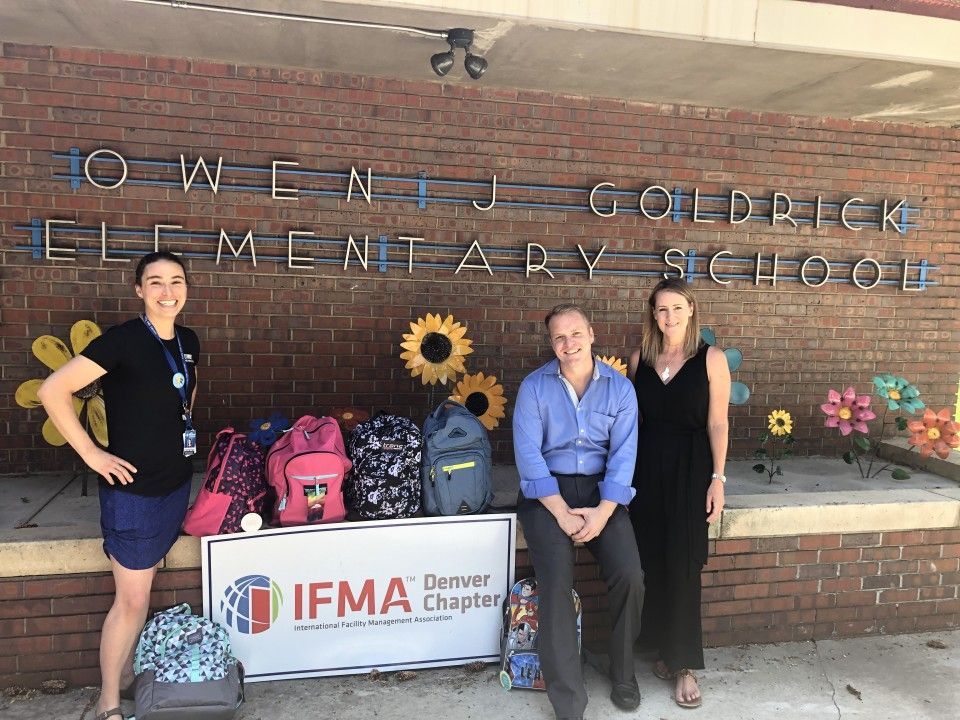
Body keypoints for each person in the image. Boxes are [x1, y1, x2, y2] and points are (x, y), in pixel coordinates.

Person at [38, 251, 200, 720]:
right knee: (131, 602)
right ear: (138, 290)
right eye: (155, 283)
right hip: (134, 492)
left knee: (142, 595)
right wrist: (91, 454)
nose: (167, 291)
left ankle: (127, 676)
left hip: (173, 483)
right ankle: (109, 702)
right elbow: (53, 391)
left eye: (176, 281)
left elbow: (186, 392)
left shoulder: (188, 340)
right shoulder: (122, 341)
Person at [513, 303, 644, 720]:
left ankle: (624, 674)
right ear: (551, 343)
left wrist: (603, 513)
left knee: (630, 576)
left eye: (575, 334)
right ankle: (569, 701)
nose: (568, 344)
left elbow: (624, 457)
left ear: (592, 333)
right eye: (559, 337)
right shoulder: (534, 387)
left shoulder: (620, 389)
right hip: (546, 492)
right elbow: (529, 456)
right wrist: (562, 513)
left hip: (601, 491)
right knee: (555, 586)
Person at [627, 278, 730, 710]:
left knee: (683, 564)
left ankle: (684, 663)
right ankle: (661, 650)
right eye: (661, 309)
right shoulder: (639, 359)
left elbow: (718, 424)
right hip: (645, 471)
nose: (669, 316)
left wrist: (718, 480)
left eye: (677, 308)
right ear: (654, 314)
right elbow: (630, 423)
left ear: (691, 311)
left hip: (690, 471)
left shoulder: (712, 359)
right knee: (650, 562)